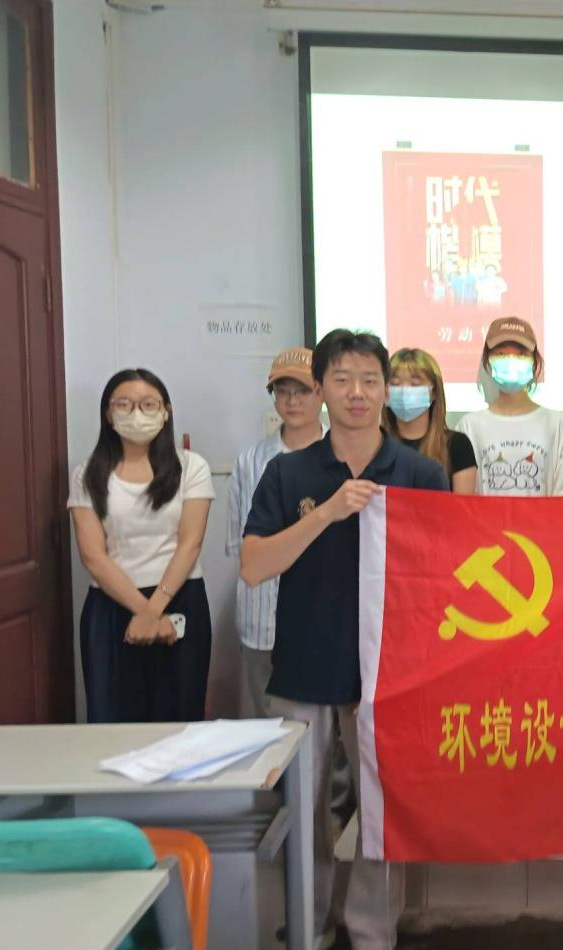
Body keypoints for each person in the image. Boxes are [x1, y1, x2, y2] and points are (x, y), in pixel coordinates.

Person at [240, 329, 448, 950]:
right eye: (342, 379)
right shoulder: (289, 472)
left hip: (387, 676)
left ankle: (372, 932)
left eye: (370, 380)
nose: (357, 392)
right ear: (321, 390)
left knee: (383, 816)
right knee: (304, 813)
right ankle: (308, 926)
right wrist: (328, 512)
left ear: (385, 390)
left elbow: (441, 575)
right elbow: (254, 565)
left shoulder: (419, 473)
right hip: (303, 668)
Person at [68, 369, 214, 723]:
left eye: (148, 404)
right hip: (111, 606)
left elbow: (190, 543)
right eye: (124, 405)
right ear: (108, 413)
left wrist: (155, 610)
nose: (136, 414)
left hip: (179, 601)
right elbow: (93, 556)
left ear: (165, 412)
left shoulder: (191, 467)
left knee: (180, 724)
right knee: (113, 724)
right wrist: (145, 613)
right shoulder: (87, 473)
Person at [226, 347, 325, 718]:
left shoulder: (342, 456)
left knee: (329, 733)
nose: (292, 400)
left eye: (302, 390)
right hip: (262, 620)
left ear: (322, 392)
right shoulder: (250, 461)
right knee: (270, 729)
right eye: (283, 391)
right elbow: (240, 542)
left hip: (325, 621)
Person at [456, 316, 563, 496]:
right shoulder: (469, 426)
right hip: (486, 516)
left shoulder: (558, 424)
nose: (511, 361)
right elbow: (463, 502)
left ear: (534, 361)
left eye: (521, 354)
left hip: (542, 516)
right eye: (501, 354)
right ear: (487, 361)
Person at [384, 346, 477, 494]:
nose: (404, 390)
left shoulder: (457, 445)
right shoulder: (376, 446)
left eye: (415, 384)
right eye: (395, 383)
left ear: (433, 392)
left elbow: (462, 506)